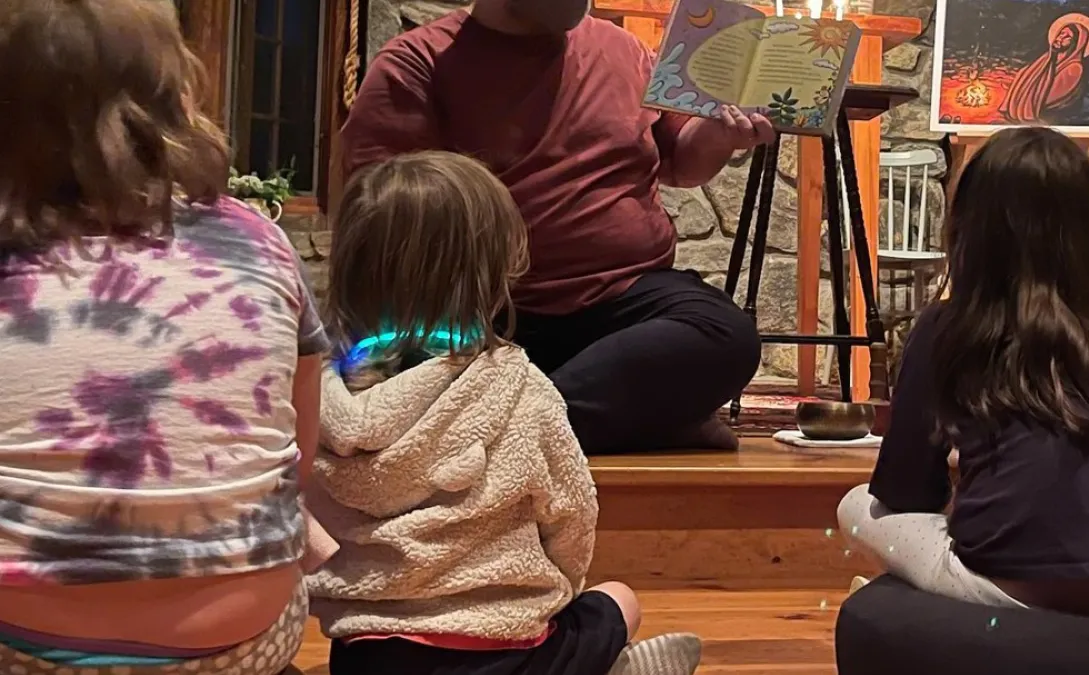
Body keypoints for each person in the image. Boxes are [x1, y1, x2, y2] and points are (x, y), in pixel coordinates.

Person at [0, 0, 326, 673]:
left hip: (21, 641)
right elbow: (299, 459)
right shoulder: (259, 240)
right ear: (176, 93)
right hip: (240, 639)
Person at [308, 150, 703, 675]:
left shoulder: (320, 401)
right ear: (491, 275)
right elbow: (572, 518)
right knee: (619, 598)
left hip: (368, 657)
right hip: (506, 655)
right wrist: (558, 592)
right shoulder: (519, 389)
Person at [340, 0, 774, 454]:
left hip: (625, 301)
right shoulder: (416, 63)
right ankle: (617, 420)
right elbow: (383, 220)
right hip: (495, 314)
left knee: (727, 336)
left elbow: (683, 164)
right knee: (422, 363)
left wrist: (722, 135)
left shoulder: (624, 49)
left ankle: (496, 430)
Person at [837, 127, 1089, 626]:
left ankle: (937, 609)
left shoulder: (949, 327)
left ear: (971, 225)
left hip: (1010, 589)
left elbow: (904, 491)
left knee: (858, 507)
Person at [999, 14, 1089, 124]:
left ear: (1077, 43)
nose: (1060, 38)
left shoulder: (1074, 68)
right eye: (1061, 33)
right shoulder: (1047, 58)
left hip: (1051, 118)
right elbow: (1025, 75)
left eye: (1067, 37)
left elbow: (1049, 97)